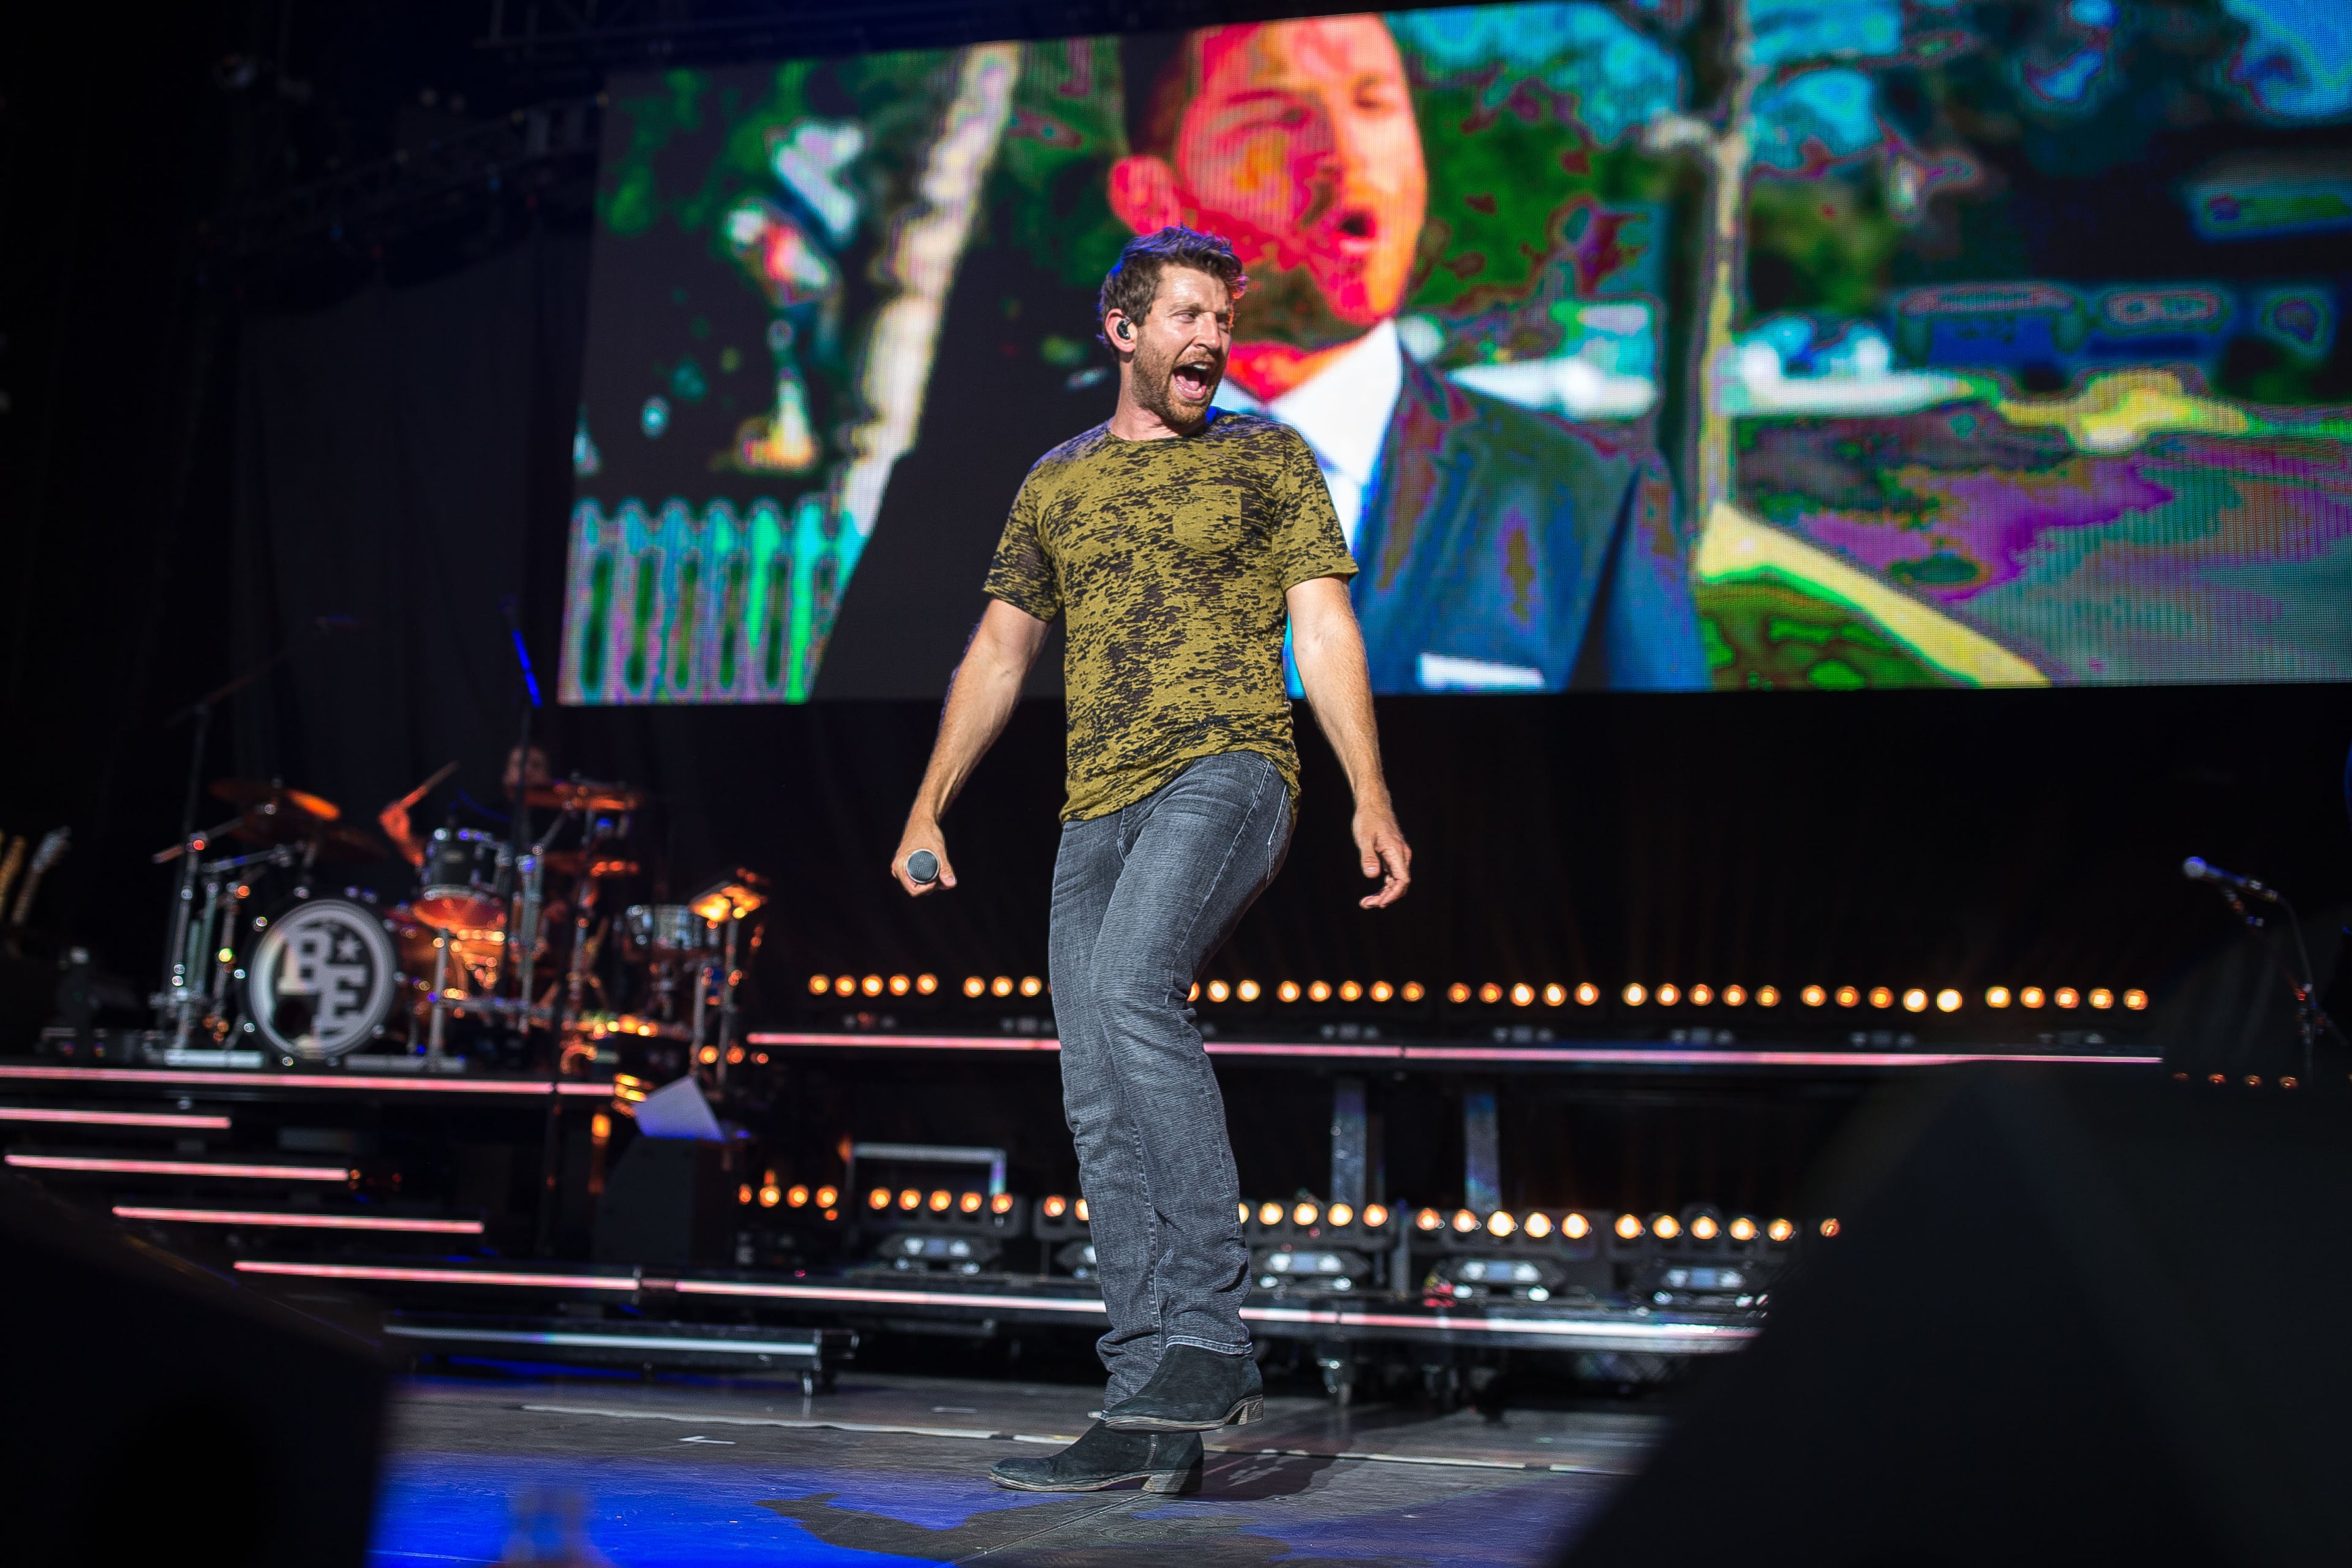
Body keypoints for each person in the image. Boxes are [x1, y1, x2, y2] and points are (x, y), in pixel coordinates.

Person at [891, 226, 1412, 1495]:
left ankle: (1210, 1337)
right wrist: (926, 809)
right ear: (1124, 331)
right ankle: (1143, 1408)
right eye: (1189, 315)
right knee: (1095, 1092)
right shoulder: (1057, 479)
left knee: (1134, 990)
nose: (1214, 340)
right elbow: (1000, 653)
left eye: (1224, 320)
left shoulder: (1266, 457)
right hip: (1095, 810)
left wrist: (1370, 792)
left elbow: (1324, 627)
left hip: (1230, 770)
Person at [1110, 17, 1711, 692]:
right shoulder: (1028, 477)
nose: (1347, 153)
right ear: (1153, 200)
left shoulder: (1591, 502)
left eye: (1373, 104)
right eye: (1276, 118)